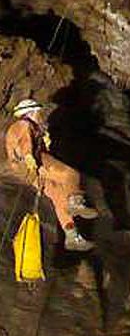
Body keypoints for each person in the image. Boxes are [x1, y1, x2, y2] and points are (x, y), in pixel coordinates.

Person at [5, 99, 98, 252]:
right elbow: (24, 142)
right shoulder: (23, 124)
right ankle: (75, 202)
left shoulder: (29, 128)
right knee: (70, 175)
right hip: (32, 160)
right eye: (38, 113)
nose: (40, 115)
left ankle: (71, 234)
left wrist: (43, 138)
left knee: (58, 195)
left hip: (24, 171)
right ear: (31, 112)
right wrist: (29, 156)